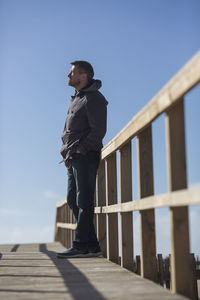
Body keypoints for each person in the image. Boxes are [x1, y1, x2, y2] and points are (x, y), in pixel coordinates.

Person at [57, 61, 108, 258]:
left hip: (85, 155)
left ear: (83, 76)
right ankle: (91, 245)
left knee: (83, 200)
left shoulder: (94, 98)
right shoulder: (77, 99)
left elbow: (99, 130)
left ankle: (80, 245)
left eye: (72, 73)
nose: (68, 76)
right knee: (73, 199)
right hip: (72, 157)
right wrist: (67, 149)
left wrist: (81, 148)